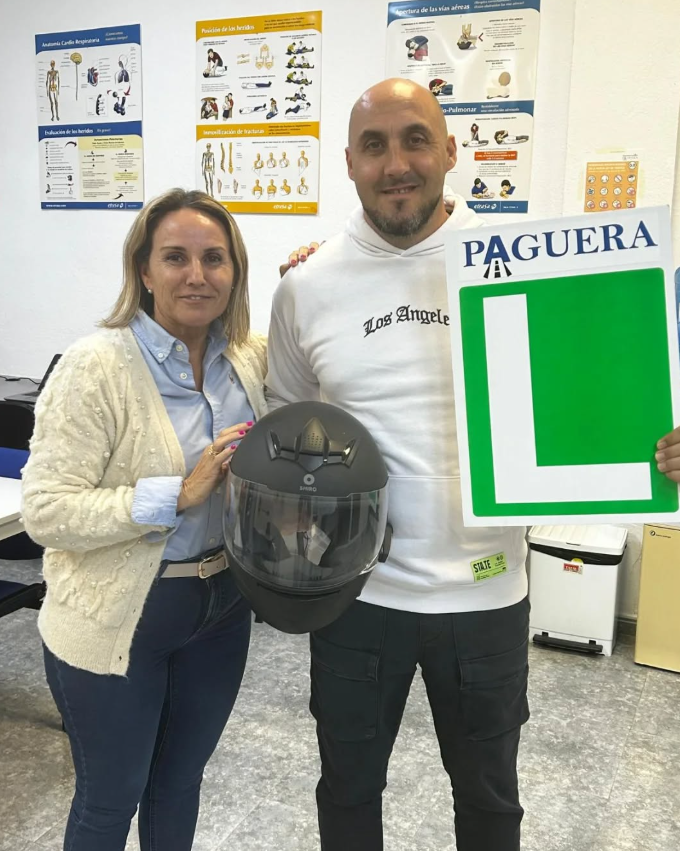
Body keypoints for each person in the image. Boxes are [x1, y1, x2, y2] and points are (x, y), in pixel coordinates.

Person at [21, 188, 269, 851]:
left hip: (220, 606)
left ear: (235, 272)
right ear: (143, 269)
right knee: (110, 799)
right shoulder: (95, 366)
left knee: (179, 782)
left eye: (215, 258)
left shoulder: (245, 357)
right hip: (119, 615)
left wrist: (314, 270)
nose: (197, 274)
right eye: (176, 257)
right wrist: (175, 495)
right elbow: (44, 509)